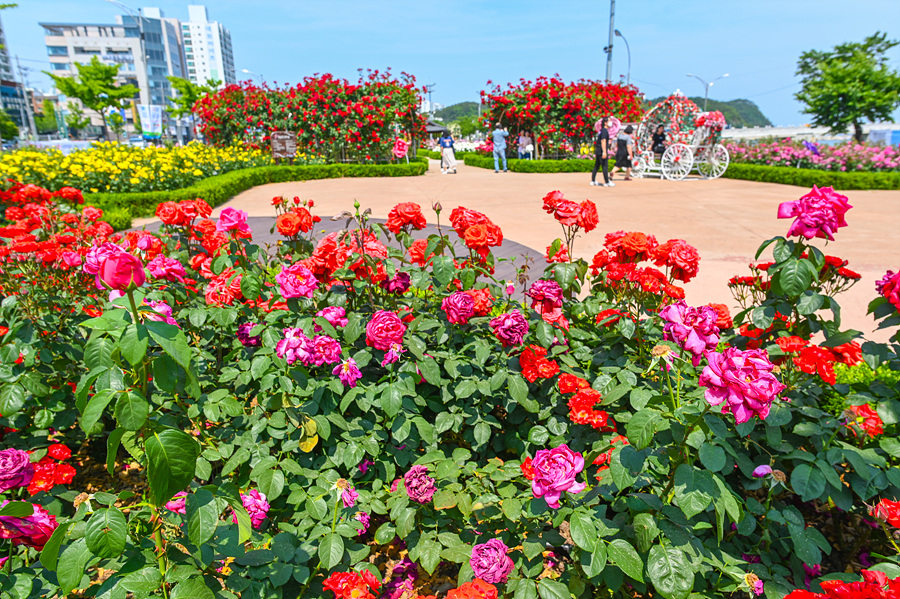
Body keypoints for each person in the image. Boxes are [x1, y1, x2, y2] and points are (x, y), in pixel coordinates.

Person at [591, 119, 613, 187]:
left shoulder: (602, 130)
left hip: (598, 150)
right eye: (609, 121)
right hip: (601, 151)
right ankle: (607, 182)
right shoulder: (604, 130)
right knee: (604, 166)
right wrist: (604, 152)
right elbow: (603, 141)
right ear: (605, 122)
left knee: (597, 166)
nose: (611, 122)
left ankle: (593, 181)